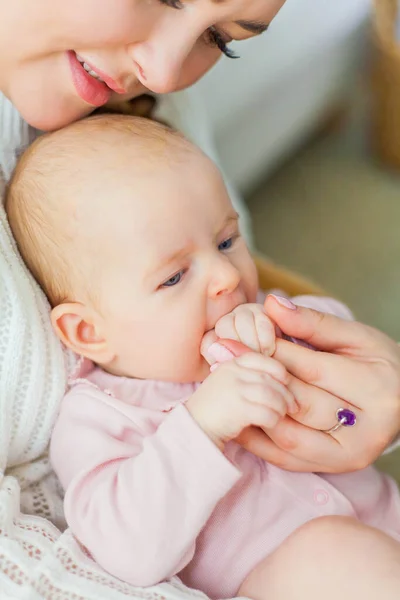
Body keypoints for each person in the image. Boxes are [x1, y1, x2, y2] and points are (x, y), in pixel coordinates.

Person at [1, 1, 400, 598]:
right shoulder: (103, 417)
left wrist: (332, 359)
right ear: (88, 333)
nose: (224, 276)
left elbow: (344, 355)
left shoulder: (150, 119)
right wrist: (202, 426)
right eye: (171, 279)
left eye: (226, 240)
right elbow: (125, 546)